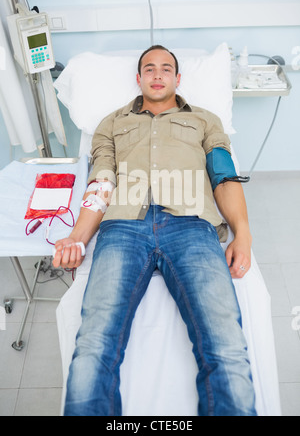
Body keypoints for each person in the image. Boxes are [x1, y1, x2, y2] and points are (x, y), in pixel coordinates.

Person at [53, 45, 256, 416]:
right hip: (123, 229)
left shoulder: (206, 121)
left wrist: (243, 234)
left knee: (226, 346)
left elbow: (224, 177)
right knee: (94, 344)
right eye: (149, 68)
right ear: (139, 78)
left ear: (178, 79)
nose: (158, 74)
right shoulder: (112, 123)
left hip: (193, 226)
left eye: (166, 69)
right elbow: (101, 182)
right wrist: (77, 238)